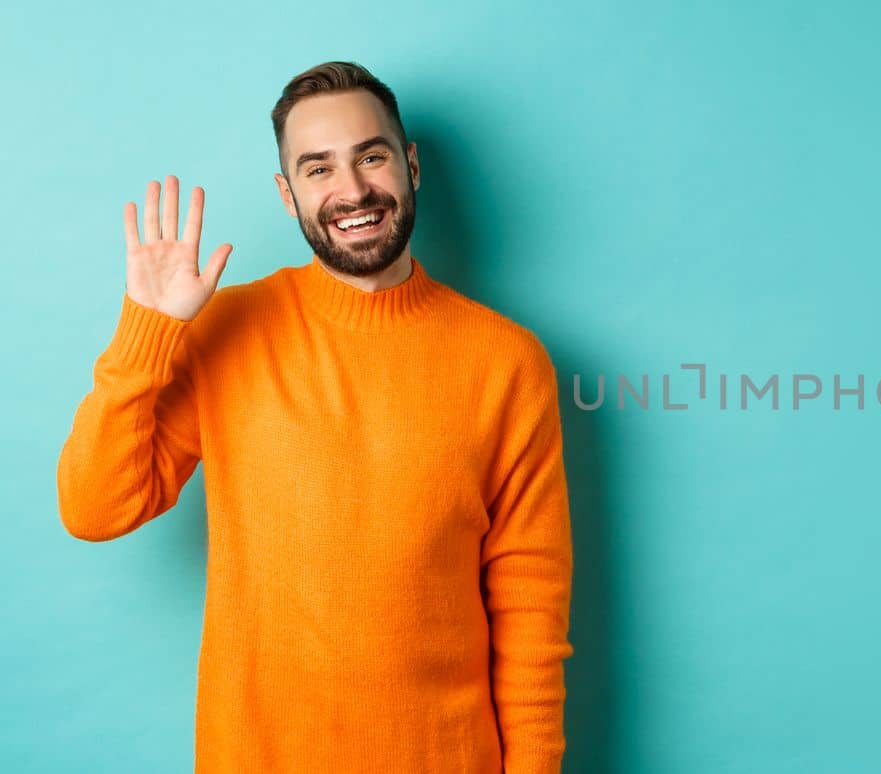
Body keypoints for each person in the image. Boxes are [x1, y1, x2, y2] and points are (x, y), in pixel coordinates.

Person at [55, 61, 574, 774]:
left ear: (410, 165)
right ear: (287, 193)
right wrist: (148, 330)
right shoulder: (225, 331)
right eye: (318, 168)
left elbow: (530, 608)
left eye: (371, 155)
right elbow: (93, 508)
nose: (353, 190)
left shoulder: (507, 362)